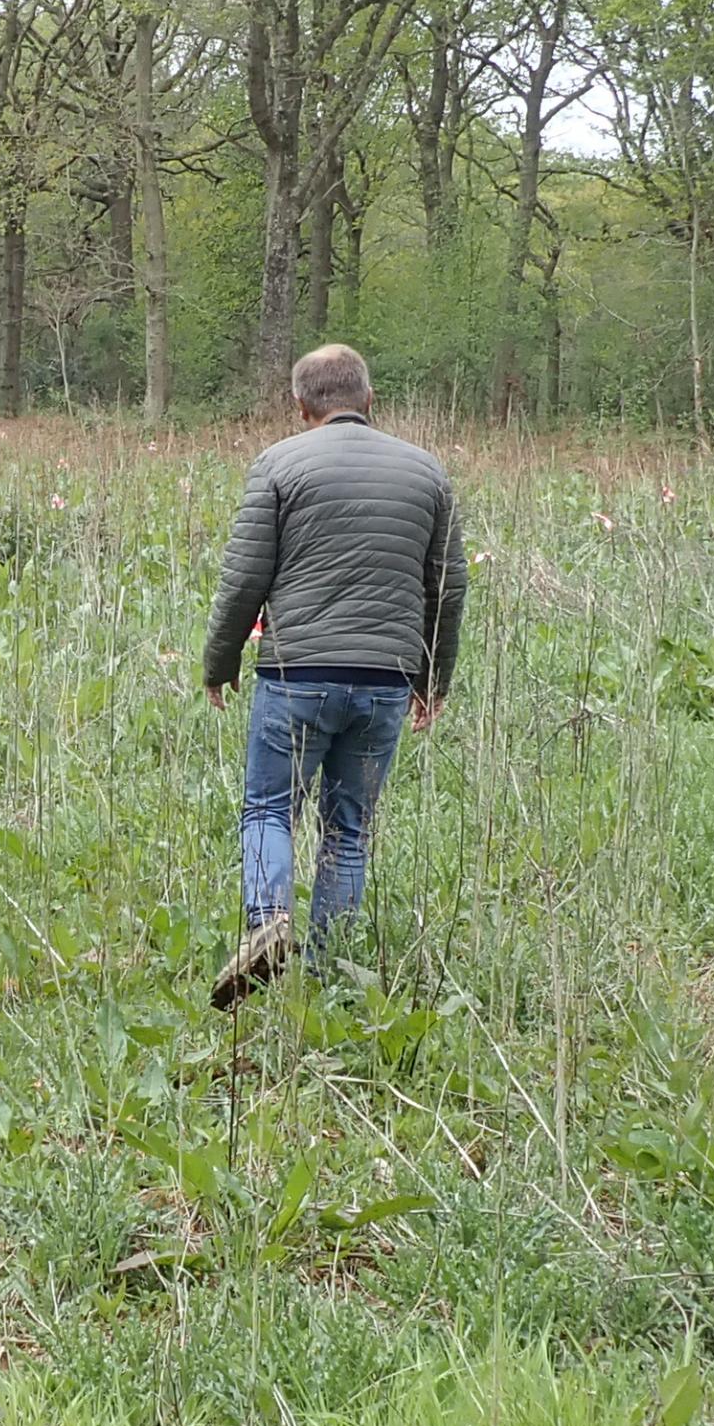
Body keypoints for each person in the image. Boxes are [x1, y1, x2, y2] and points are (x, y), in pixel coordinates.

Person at [200, 343, 468, 1006]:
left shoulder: (279, 465)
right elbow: (449, 587)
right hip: (385, 681)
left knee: (268, 807)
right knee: (349, 828)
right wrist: (433, 680)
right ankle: (325, 973)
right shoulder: (427, 473)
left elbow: (243, 581)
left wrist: (222, 660)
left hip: (297, 674)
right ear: (369, 399)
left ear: (301, 406)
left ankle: (269, 922)